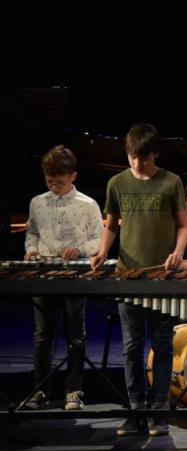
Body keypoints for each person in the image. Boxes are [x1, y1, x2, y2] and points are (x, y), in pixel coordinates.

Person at [91, 123, 187, 436]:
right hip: (128, 275)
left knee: (162, 345)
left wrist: (177, 253)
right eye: (132, 157)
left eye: (143, 158)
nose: (136, 163)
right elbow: (111, 225)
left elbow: (184, 225)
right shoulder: (117, 183)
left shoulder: (171, 182)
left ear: (155, 154)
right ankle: (136, 409)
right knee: (132, 346)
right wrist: (102, 252)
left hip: (162, 277)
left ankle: (157, 411)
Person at [23, 146, 103, 410]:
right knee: (42, 335)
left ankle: (74, 391)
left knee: (75, 334)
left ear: (73, 176)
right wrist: (31, 250)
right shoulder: (37, 202)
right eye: (49, 182)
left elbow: (99, 241)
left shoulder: (88, 205)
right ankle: (40, 390)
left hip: (75, 273)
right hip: (44, 272)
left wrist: (80, 249)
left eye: (58, 182)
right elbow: (32, 233)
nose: (53, 187)